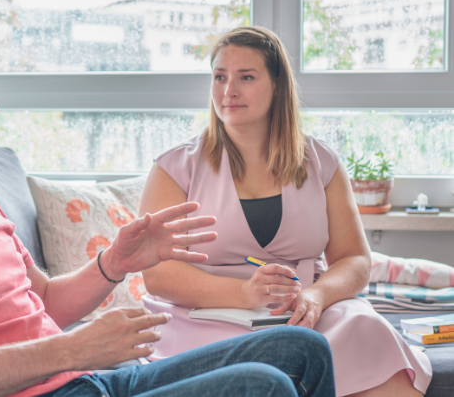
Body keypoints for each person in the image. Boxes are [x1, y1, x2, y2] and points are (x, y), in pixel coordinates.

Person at [0, 36, 337, 397]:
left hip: (85, 382)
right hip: (53, 386)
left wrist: (115, 263)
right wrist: (71, 350)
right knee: (263, 387)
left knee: (302, 348)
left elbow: (44, 301)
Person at [139, 26, 432, 397]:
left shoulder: (321, 161)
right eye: (220, 77)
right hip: (202, 317)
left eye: (246, 77)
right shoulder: (174, 167)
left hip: (305, 313)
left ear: (277, 85)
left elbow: (355, 259)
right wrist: (243, 292)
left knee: (369, 330)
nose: (229, 91)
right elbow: (158, 274)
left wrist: (317, 297)